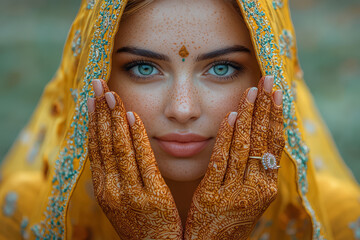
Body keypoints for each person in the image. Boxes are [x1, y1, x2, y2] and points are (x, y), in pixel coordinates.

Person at [0, 0, 359, 239]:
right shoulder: (18, 219)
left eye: (222, 68)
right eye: (144, 68)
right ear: (97, 73)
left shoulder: (341, 224)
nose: (183, 109)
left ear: (270, 75)